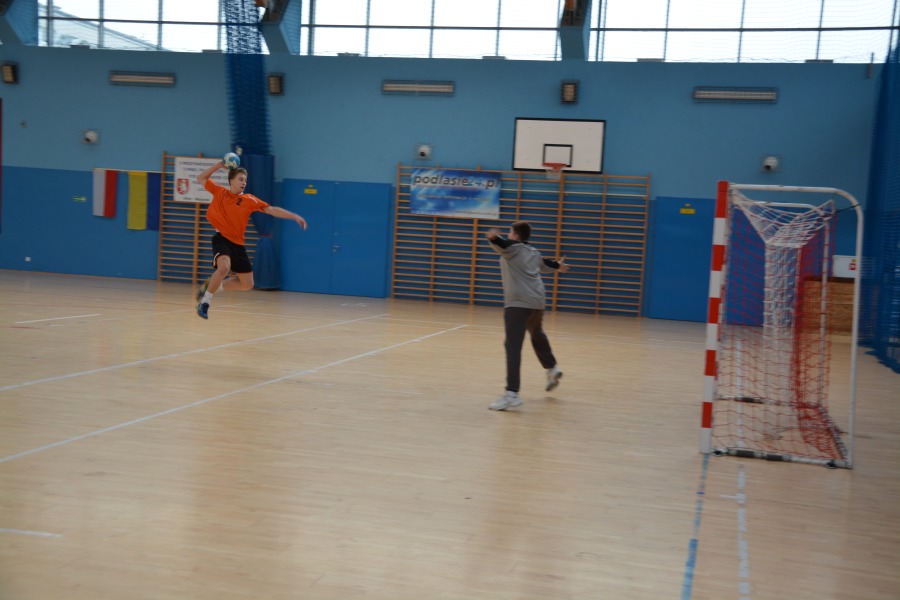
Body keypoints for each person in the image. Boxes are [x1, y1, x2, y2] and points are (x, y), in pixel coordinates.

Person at [194, 160, 307, 319]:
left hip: (238, 244)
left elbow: (272, 210)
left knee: (247, 284)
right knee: (224, 268)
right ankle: (205, 303)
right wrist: (219, 165)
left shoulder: (249, 200)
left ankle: (211, 285)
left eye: (245, 180)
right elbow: (201, 178)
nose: (244, 182)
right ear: (231, 181)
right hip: (222, 239)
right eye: (240, 179)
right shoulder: (220, 192)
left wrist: (294, 216)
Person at [486, 221, 570, 411]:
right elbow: (547, 264)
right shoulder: (532, 252)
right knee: (536, 334)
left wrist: (493, 237)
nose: (509, 235)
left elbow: (502, 244)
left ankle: (512, 394)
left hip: (518, 302)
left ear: (516, 236)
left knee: (513, 346)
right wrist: (558, 266)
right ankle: (552, 368)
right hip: (537, 301)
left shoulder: (512, 248)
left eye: (510, 232)